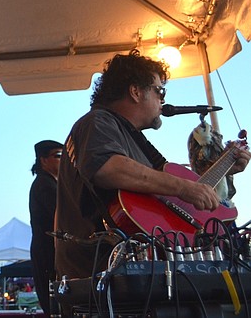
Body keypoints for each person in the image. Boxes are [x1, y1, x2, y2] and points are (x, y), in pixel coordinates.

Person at [55, 51, 250, 283]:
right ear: (136, 92)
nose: (163, 100)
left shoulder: (132, 138)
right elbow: (108, 167)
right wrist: (184, 187)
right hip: (100, 272)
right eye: (160, 91)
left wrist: (224, 167)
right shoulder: (97, 122)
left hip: (128, 270)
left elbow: (178, 201)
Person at [28, 139, 62, 316]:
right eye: (58, 156)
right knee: (56, 304)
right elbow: (61, 216)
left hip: (48, 252)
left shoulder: (51, 183)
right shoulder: (45, 184)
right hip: (48, 253)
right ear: (43, 160)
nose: (63, 160)